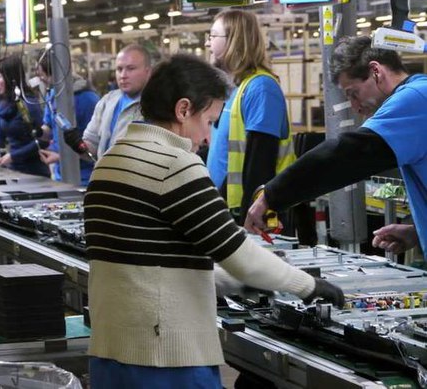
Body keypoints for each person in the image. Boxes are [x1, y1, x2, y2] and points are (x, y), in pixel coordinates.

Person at [84, 53, 344, 388]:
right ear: (183, 110)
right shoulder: (175, 164)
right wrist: (306, 285)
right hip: (166, 360)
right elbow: (237, 253)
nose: (208, 138)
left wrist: (236, 282)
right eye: (209, 121)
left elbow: (152, 264)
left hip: (111, 354)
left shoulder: (110, 161)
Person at [245, 35, 427, 257]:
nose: (355, 107)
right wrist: (417, 231)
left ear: (376, 71)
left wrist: (271, 196)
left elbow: (345, 156)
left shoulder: (415, 99)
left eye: (353, 93)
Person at [205, 10, 296, 226]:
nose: (207, 43)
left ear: (235, 40)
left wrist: (251, 218)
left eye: (213, 36)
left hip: (248, 216)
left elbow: (260, 162)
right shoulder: (234, 89)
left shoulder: (261, 88)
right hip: (226, 210)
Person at [63, 44, 152, 160]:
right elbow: (92, 147)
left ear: (148, 72)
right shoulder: (107, 101)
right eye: (119, 69)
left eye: (131, 68)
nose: (123, 75)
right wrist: (78, 145)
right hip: (104, 171)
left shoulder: (156, 106)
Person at [36, 51, 100, 185]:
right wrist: (39, 132)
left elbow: (95, 146)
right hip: (60, 175)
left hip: (85, 177)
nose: (40, 79)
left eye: (42, 75)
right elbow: (49, 129)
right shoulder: (52, 94)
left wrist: (60, 156)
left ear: (54, 74)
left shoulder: (88, 99)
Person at [0, 55, 50, 176]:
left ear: (10, 78)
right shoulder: (6, 103)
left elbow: (43, 140)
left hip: (34, 173)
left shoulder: (28, 105)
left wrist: (14, 156)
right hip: (14, 170)